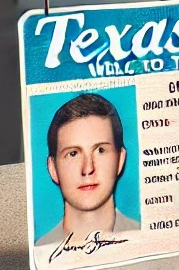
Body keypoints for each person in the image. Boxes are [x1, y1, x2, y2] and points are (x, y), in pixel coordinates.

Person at [35, 93, 138, 247]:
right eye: (73, 153)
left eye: (100, 150)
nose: (88, 169)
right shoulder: (40, 251)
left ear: (120, 160)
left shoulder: (146, 237)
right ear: (53, 168)